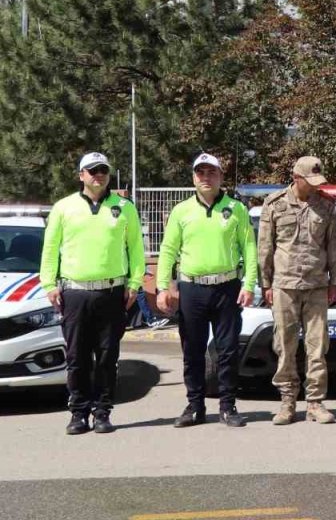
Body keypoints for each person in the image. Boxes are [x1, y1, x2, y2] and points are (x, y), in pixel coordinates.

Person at [39, 152, 145, 434]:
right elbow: (50, 249)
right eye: (92, 170)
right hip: (75, 293)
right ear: (81, 175)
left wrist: (135, 283)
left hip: (111, 293)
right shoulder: (63, 208)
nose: (99, 174)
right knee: (77, 358)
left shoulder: (124, 208)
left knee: (108, 357)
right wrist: (49, 284)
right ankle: (78, 413)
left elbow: (135, 248)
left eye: (103, 170)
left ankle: (102, 411)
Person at [155, 153, 257, 428]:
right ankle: (195, 405)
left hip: (227, 288)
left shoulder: (236, 209)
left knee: (227, 350)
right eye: (200, 173)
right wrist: (163, 286)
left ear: (221, 176)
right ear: (193, 178)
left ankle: (227, 405)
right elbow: (168, 250)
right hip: (192, 289)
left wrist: (249, 284)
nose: (206, 178)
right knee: (192, 350)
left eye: (211, 172)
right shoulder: (181, 211)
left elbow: (249, 248)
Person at [258, 156, 336, 425]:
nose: (316, 186)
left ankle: (315, 403)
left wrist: (334, 282)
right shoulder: (274, 205)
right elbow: (265, 248)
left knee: (317, 348)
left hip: (316, 285)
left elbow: (333, 248)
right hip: (284, 285)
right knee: (285, 345)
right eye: (311, 180)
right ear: (296, 177)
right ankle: (287, 402)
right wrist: (266, 284)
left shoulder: (326, 206)